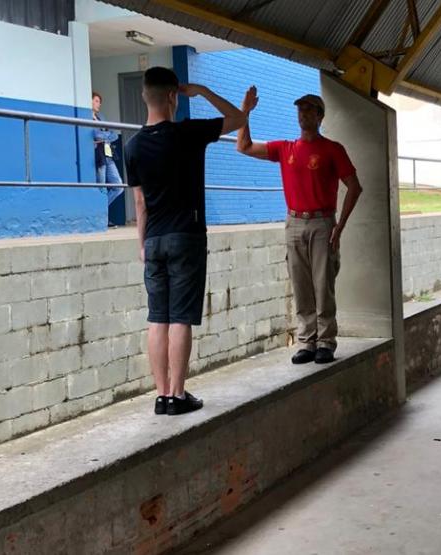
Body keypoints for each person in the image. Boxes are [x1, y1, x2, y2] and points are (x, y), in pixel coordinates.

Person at [125, 67, 249, 415]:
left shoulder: (132, 147)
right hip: (186, 237)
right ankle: (178, 395)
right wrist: (203, 90)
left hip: (153, 241)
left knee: (157, 318)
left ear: (144, 96)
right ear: (173, 96)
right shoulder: (189, 133)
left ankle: (161, 395)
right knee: (180, 317)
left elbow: (139, 203)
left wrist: (142, 244)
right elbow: (238, 119)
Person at [236, 89, 363, 365]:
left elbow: (354, 187)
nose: (303, 114)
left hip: (322, 222)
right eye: (300, 109)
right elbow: (244, 146)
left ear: (320, 116)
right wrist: (245, 112)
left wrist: (339, 226)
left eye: (308, 109)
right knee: (300, 283)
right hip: (293, 221)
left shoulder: (332, 149)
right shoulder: (285, 149)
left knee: (323, 284)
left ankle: (326, 341)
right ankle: (307, 341)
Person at [92, 92, 124, 208]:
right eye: (96, 101)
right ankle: (100, 213)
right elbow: (96, 134)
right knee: (101, 187)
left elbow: (114, 135)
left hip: (108, 154)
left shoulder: (101, 117)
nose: (99, 104)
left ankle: (101, 210)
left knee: (119, 187)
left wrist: (104, 136)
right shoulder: (86, 117)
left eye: (100, 102)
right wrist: (106, 135)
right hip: (98, 155)